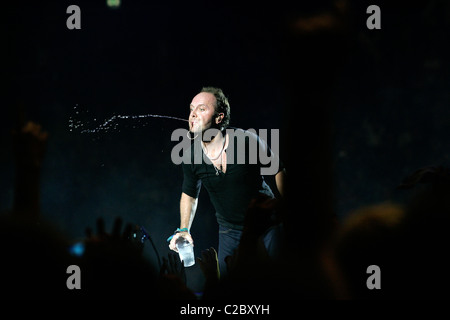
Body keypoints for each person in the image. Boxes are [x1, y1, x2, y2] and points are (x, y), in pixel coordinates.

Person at [168, 87, 286, 276]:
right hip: (229, 231)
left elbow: (278, 170)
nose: (193, 114)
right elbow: (189, 194)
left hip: (266, 223)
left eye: (202, 109)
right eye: (191, 109)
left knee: (281, 279)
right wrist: (184, 229)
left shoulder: (247, 141)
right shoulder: (190, 156)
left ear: (219, 117)